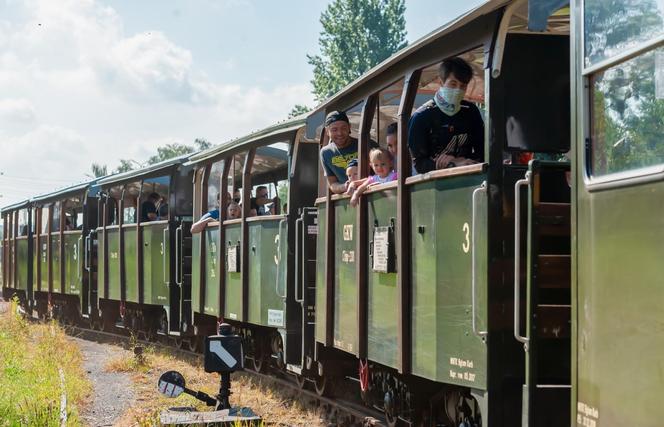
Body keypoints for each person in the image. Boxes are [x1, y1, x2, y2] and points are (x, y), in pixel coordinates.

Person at [407, 57, 484, 174]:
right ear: (441, 82)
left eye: (463, 86)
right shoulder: (421, 117)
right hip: (434, 187)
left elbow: (482, 151)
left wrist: (464, 162)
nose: (458, 90)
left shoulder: (471, 111)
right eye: (453, 84)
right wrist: (452, 164)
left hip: (469, 180)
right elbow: (419, 164)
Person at [319, 111, 360, 194]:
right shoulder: (325, 153)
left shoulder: (367, 144)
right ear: (327, 131)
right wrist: (345, 186)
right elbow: (332, 184)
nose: (339, 133)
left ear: (349, 127)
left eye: (343, 128)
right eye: (334, 129)